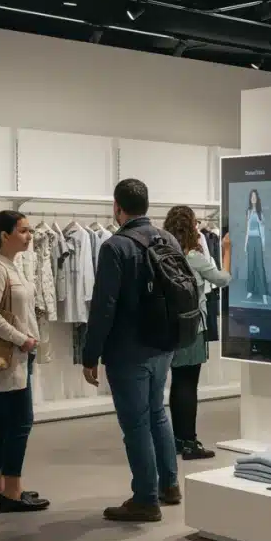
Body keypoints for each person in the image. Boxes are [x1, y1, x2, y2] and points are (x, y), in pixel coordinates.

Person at [81, 179, 182, 523]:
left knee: (136, 424)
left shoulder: (115, 246)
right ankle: (170, 485)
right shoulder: (167, 238)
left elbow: (103, 306)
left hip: (129, 350)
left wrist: (90, 354)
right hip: (164, 344)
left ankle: (145, 498)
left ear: (117, 207)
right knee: (158, 413)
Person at [0, 210, 49, 513]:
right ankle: (13, 493)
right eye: (24, 231)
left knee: (3, 421)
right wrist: (22, 339)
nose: (30, 236)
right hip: (12, 355)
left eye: (30, 231)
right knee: (20, 421)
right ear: (5, 235)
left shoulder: (11, 267)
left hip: (18, 355)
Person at [163, 205, 232, 460]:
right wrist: (226, 250)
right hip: (193, 327)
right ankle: (189, 442)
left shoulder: (164, 254)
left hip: (171, 327)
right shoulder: (193, 256)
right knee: (188, 385)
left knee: (177, 382)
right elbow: (223, 279)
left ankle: (178, 440)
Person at [244, 189, 270, 305]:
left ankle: (264, 294)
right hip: (250, 241)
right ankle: (250, 290)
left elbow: (262, 231)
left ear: (257, 198)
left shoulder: (260, 213)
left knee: (260, 267)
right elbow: (247, 229)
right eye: (251, 197)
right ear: (250, 199)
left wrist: (263, 245)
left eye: (255, 196)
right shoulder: (248, 212)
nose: (253, 198)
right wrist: (245, 244)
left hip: (258, 241)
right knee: (250, 267)